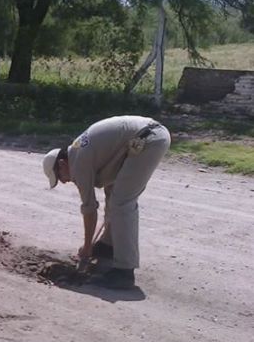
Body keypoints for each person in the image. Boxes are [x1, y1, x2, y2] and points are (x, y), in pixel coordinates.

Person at [42, 115, 171, 289]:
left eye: (60, 177)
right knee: (112, 193)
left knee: (121, 202)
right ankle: (108, 245)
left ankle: (124, 272)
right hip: (146, 136)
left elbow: (89, 209)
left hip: (148, 139)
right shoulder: (79, 152)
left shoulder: (78, 161)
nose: (64, 182)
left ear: (62, 164)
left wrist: (87, 247)